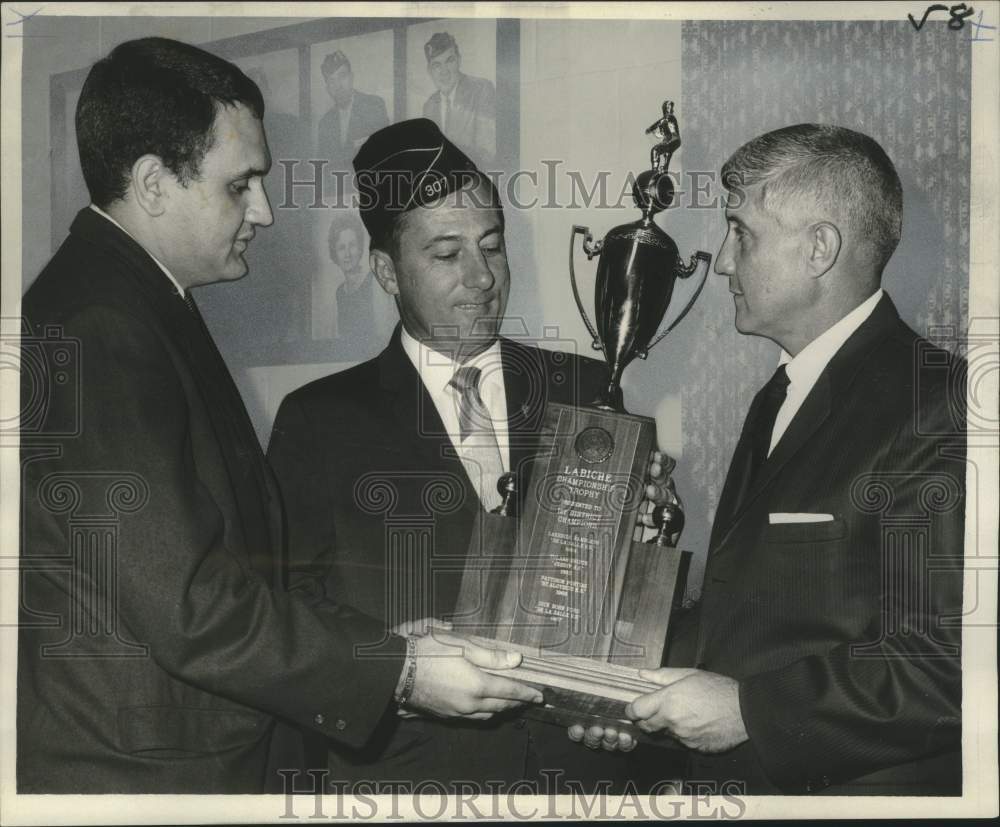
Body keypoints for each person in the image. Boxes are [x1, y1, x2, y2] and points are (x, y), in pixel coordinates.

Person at [17, 38, 543, 795]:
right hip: (141, 779)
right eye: (242, 185)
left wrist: (382, 645)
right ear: (155, 184)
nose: (263, 211)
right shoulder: (101, 322)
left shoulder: (131, 299)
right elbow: (190, 605)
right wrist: (397, 669)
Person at [267, 118, 671, 794]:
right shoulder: (319, 419)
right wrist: (395, 662)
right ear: (386, 270)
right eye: (447, 253)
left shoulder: (586, 389)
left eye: (492, 245)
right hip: (408, 780)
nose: (483, 277)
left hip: (576, 779)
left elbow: (632, 587)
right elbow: (285, 610)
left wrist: (625, 701)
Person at [571, 124, 966, 796]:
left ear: (819, 249)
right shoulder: (779, 394)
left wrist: (749, 712)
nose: (722, 262)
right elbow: (754, 615)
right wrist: (635, 689)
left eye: (742, 233)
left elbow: (943, 666)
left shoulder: (941, 405)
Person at [422, 32, 496, 168]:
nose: (444, 71)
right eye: (436, 65)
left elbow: (488, 151)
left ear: (459, 60)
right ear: (429, 70)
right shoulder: (429, 105)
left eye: (449, 61)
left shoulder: (481, 89)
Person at [317, 50, 389, 175]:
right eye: (331, 81)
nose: (338, 85)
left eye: (342, 76)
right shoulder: (325, 122)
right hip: (339, 188)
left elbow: (384, 153)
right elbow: (324, 168)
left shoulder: (373, 106)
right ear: (327, 88)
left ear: (352, 77)